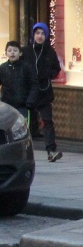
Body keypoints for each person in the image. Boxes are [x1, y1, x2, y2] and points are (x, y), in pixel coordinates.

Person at [23, 22, 62, 162]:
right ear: (33, 35)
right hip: (29, 93)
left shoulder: (49, 51)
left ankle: (51, 150)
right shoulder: (26, 51)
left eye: (42, 33)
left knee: (47, 121)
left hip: (44, 91)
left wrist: (47, 74)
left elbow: (56, 69)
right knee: (27, 124)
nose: (39, 36)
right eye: (37, 33)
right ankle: (25, 152)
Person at [0, 40, 26, 118]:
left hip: (23, 106)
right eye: (10, 51)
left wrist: (30, 102)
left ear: (20, 53)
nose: (12, 53)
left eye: (15, 50)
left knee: (22, 128)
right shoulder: (2, 68)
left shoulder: (26, 67)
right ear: (6, 53)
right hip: (6, 105)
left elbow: (33, 85)